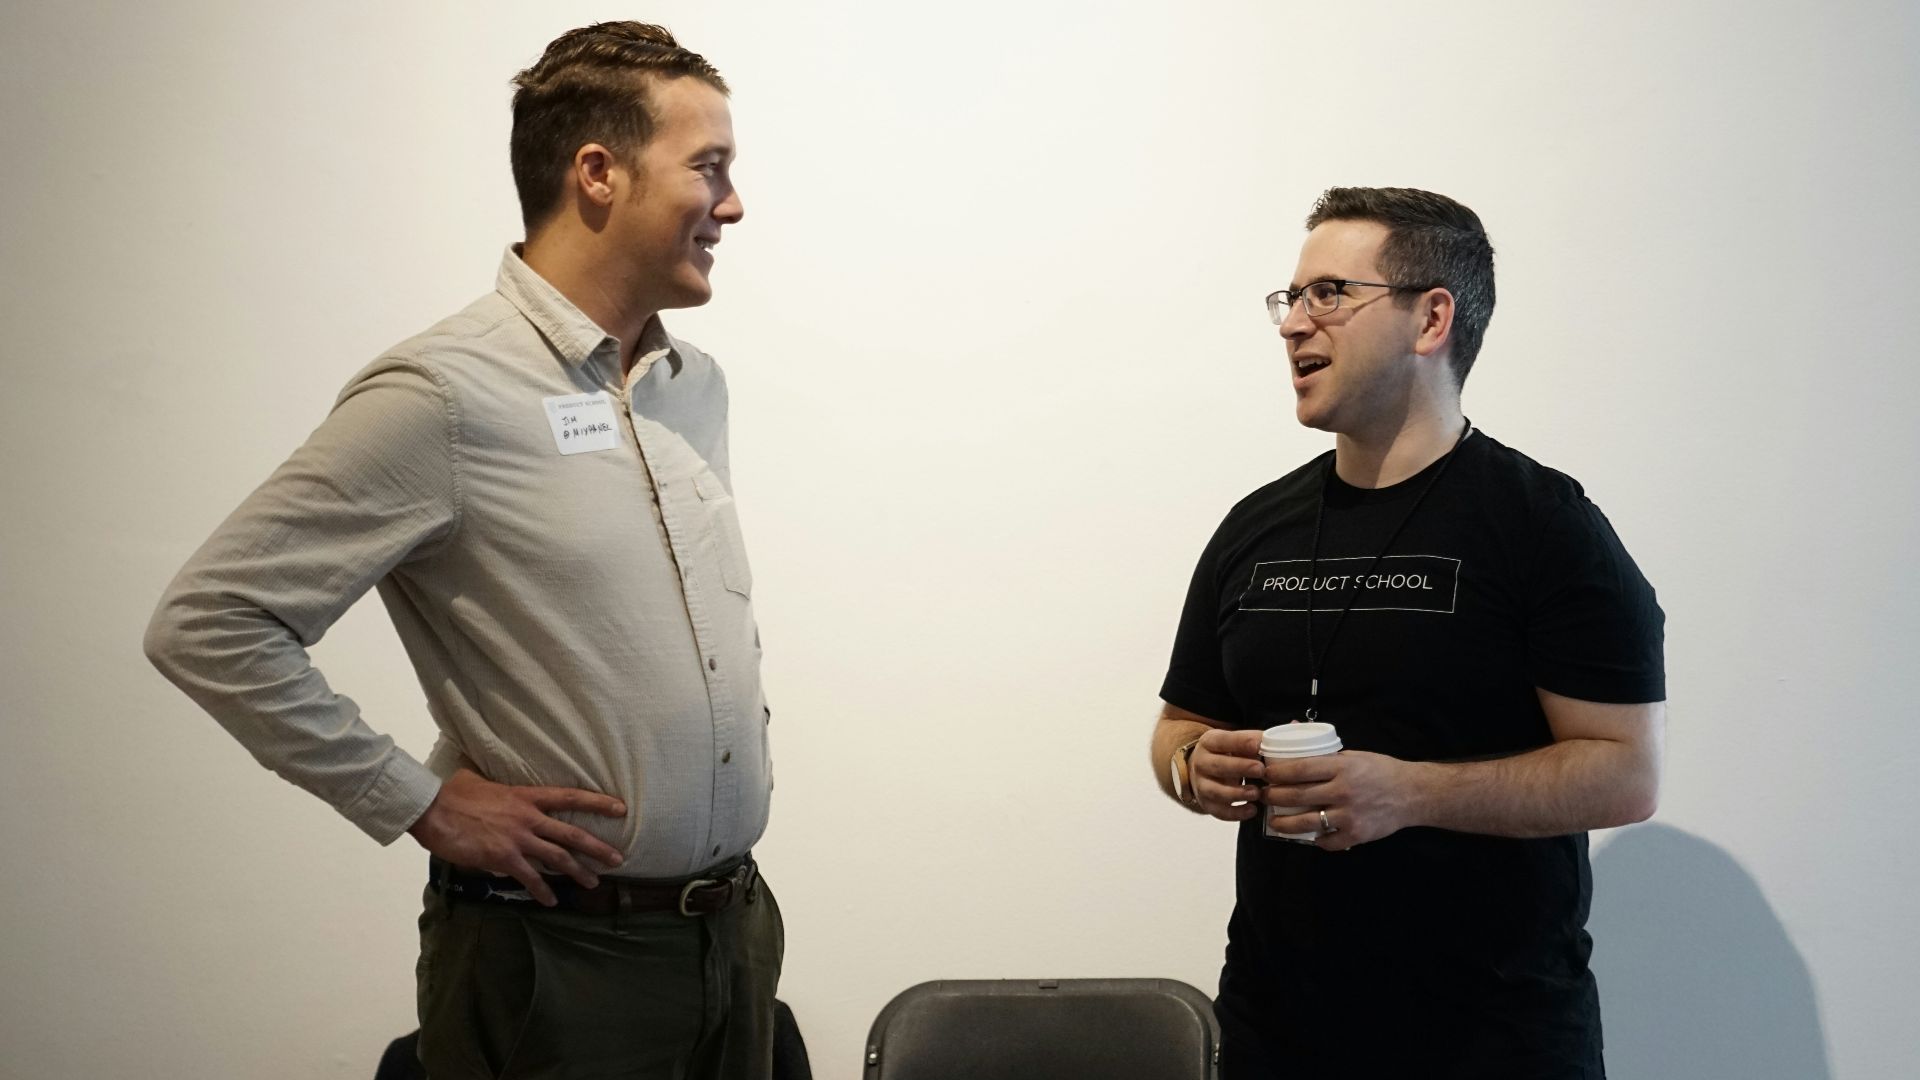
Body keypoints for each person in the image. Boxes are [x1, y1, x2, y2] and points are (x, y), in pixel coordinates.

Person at [144, 22, 781, 1079]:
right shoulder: (442, 397)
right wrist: (418, 799)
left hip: (731, 936)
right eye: (707, 168)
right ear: (598, 174)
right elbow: (209, 620)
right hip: (555, 960)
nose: (733, 204)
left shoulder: (693, 388)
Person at [1152, 187, 1665, 1078]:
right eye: (1292, 297)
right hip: (1280, 1034)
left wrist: (1412, 795)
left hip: (1491, 1040)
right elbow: (1175, 727)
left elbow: (1624, 772)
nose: (1294, 324)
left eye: (1330, 295)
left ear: (1431, 318)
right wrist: (1194, 768)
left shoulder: (1542, 522)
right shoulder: (1255, 527)